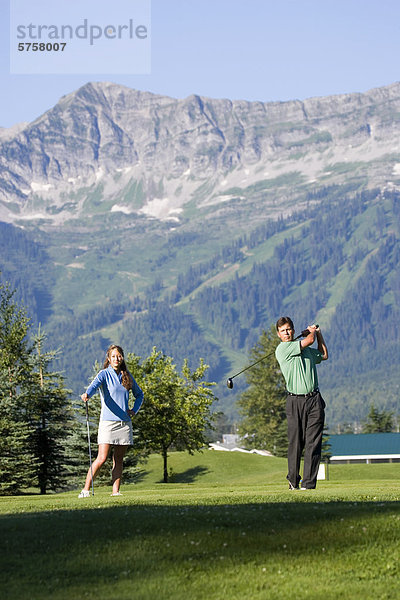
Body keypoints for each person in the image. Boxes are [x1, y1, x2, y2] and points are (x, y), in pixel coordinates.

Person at [78, 344, 144, 497]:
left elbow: (139, 394)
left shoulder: (127, 375)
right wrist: (87, 394)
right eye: (113, 356)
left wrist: (134, 410)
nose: (116, 358)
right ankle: (85, 490)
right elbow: (94, 386)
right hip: (107, 423)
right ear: (108, 358)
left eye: (119, 356)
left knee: (118, 460)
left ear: (122, 358)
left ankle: (116, 492)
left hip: (124, 424)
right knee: (101, 458)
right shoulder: (103, 374)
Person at [275, 317, 328, 490]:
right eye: (283, 330)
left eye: (289, 329)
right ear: (279, 334)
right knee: (295, 443)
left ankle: (309, 484)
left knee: (313, 443)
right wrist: (311, 332)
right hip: (294, 400)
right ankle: (293, 481)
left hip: (314, 400)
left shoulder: (306, 350)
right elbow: (309, 340)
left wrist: (318, 334)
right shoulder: (283, 349)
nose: (287, 333)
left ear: (293, 329)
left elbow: (324, 355)